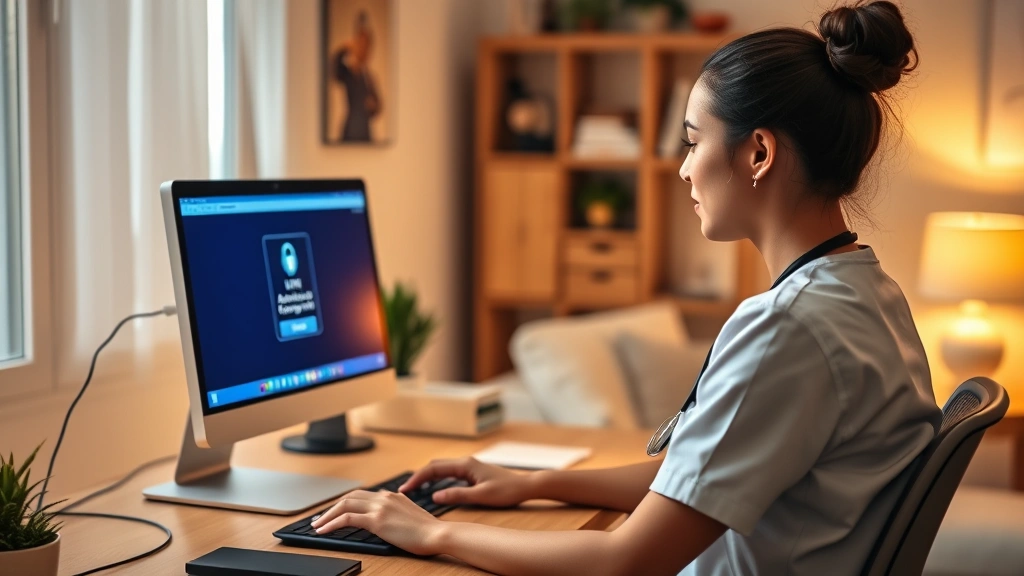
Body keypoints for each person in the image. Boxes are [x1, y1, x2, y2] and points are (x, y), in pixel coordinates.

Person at [311, 2, 943, 573]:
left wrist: (433, 535)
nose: (684, 167)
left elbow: (627, 561)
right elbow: (695, 474)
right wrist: (530, 484)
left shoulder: (788, 328)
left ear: (758, 155)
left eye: (694, 142)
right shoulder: (867, 293)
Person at [333, 10, 381, 142]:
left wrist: (373, 106)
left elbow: (378, 105)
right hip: (351, 130)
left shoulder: (369, 77)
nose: (364, 49)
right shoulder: (348, 72)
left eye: (367, 46)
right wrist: (345, 48)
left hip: (365, 131)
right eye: (361, 45)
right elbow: (335, 70)